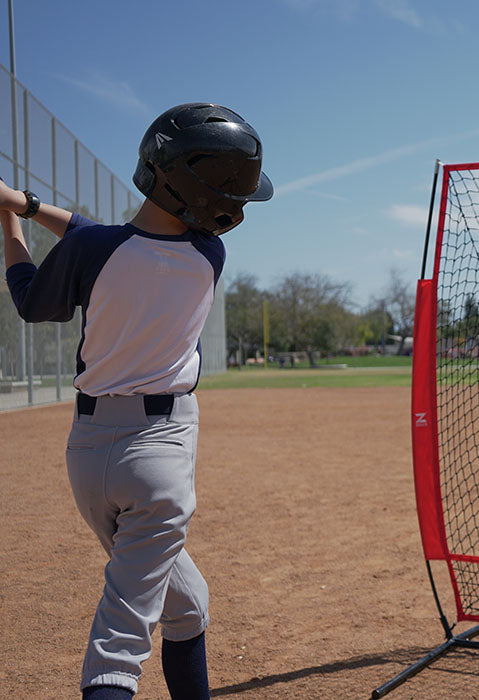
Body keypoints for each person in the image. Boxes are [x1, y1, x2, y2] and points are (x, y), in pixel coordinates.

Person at [2, 103, 272, 699]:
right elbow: (96, 237)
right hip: (157, 458)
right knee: (119, 645)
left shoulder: (96, 250)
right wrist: (18, 204)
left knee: (187, 604)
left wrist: (11, 223)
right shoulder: (208, 255)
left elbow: (46, 284)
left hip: (89, 456)